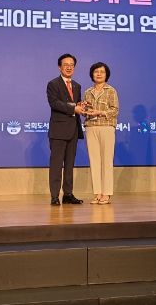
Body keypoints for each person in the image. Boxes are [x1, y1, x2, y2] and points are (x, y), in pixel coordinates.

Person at [47, 54, 85, 206]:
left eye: (72, 65)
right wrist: (73, 108)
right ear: (59, 67)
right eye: (66, 64)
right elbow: (54, 103)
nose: (69, 67)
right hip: (58, 130)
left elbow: (77, 104)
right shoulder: (53, 84)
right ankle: (55, 196)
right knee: (56, 165)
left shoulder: (77, 85)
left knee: (70, 164)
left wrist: (82, 106)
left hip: (73, 130)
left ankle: (68, 194)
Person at [83, 62, 119, 205]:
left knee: (106, 161)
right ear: (92, 74)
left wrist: (100, 112)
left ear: (106, 75)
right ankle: (97, 192)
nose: (99, 74)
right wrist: (84, 109)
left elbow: (114, 110)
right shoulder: (87, 92)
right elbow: (85, 111)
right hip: (91, 127)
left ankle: (106, 193)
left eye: (102, 72)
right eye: (96, 71)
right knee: (94, 161)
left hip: (106, 126)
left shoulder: (111, 90)